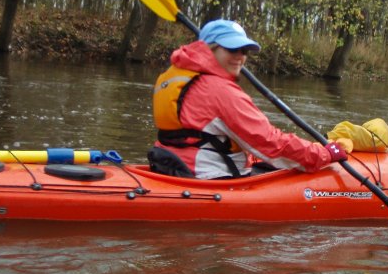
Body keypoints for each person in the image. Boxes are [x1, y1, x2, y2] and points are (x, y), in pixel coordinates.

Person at [148, 19, 348, 178]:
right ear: (209, 48)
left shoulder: (172, 76)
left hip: (171, 166)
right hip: (210, 176)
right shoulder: (220, 91)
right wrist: (324, 154)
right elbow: (269, 142)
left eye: (244, 51)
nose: (240, 56)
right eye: (232, 49)